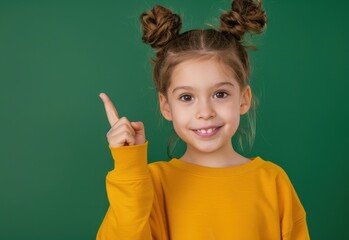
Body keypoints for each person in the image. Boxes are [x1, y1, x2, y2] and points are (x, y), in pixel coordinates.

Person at [96, 0, 309, 239]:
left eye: (220, 94)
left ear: (243, 99)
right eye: (187, 97)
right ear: (166, 106)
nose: (205, 112)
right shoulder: (150, 184)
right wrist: (128, 168)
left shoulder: (274, 183)